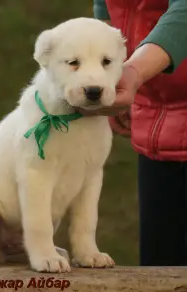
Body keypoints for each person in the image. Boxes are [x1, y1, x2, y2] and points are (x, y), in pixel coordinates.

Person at [76, 0, 187, 266]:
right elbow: (107, 8)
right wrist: (111, 74)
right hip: (158, 128)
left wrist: (134, 72)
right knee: (161, 270)